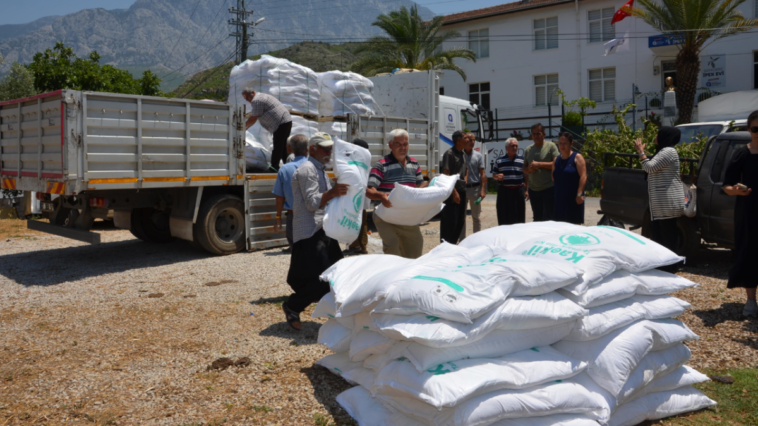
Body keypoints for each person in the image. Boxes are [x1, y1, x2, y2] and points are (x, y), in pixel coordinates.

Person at [282, 133, 349, 330]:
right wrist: (333, 192)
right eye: (325, 149)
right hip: (310, 232)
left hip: (322, 230)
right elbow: (312, 203)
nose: (329, 153)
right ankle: (293, 305)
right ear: (312, 149)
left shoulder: (320, 170)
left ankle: (337, 313)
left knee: (338, 273)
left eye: (331, 149)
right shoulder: (307, 171)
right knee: (323, 278)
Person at [367, 129, 429, 259]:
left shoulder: (414, 163)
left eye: (405, 144)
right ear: (390, 145)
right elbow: (369, 190)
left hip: (408, 216)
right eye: (398, 144)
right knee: (393, 250)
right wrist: (381, 196)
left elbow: (419, 186)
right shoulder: (381, 166)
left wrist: (430, 184)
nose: (403, 147)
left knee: (415, 250)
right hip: (386, 216)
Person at [723, 110, 758, 317]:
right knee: (750, 252)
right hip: (749, 211)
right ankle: (751, 300)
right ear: (749, 130)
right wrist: (736, 190)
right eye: (755, 129)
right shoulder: (742, 154)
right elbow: (726, 185)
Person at [633, 127, 685, 267]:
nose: (655, 136)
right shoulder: (663, 151)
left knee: (668, 235)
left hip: (667, 202)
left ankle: (671, 265)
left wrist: (641, 152)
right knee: (658, 234)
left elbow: (649, 167)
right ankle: (662, 264)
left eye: (659, 134)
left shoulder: (669, 151)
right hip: (660, 202)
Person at [272, 135, 309, 253]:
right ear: (307, 149)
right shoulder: (315, 166)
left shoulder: (284, 169)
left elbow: (280, 197)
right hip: (313, 215)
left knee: (297, 252)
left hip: (293, 216)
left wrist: (278, 218)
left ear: (289, 149)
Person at [241, 87, 293, 172]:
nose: (247, 100)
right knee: (283, 147)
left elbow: (253, 118)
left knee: (278, 146)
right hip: (286, 120)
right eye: (245, 98)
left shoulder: (256, 100)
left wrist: (243, 128)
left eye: (247, 97)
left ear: (253, 92)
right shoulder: (261, 97)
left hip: (281, 122)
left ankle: (274, 168)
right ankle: (289, 166)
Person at [524, 123, 560, 221]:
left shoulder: (551, 146)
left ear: (544, 134)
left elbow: (556, 164)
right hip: (534, 189)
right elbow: (524, 169)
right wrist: (529, 170)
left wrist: (539, 164)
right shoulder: (528, 149)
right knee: (537, 218)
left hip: (548, 188)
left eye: (538, 133)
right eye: (534, 134)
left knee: (550, 217)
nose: (536, 136)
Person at [440, 131, 468, 244]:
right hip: (452, 193)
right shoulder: (449, 154)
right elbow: (446, 174)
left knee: (460, 221)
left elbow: (466, 169)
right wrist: (454, 193)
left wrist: (466, 178)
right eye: (465, 138)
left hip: (462, 191)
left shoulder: (463, 153)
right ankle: (446, 246)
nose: (468, 140)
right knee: (450, 221)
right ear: (459, 140)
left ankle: (453, 245)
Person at [552, 132, 587, 224]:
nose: (562, 146)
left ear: (571, 143)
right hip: (560, 199)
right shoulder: (556, 160)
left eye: (565, 143)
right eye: (560, 143)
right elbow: (553, 177)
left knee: (574, 228)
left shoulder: (577, 157)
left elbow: (583, 176)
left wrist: (579, 194)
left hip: (574, 199)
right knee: (560, 227)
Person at [459, 132, 487, 241]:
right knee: (462, 217)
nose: (472, 142)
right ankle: (462, 240)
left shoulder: (478, 156)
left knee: (476, 216)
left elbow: (482, 174)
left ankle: (477, 239)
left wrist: (483, 190)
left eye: (474, 140)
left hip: (475, 189)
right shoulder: (460, 155)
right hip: (462, 189)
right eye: (470, 140)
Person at [493, 138, 528, 225]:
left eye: (516, 146)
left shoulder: (522, 160)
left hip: (518, 191)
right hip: (504, 191)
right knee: (503, 215)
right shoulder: (499, 160)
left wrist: (527, 190)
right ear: (507, 147)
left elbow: (526, 176)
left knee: (519, 216)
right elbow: (494, 175)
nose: (515, 147)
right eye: (512, 146)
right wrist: (497, 176)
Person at [346, 138, 371, 255]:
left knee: (359, 222)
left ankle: (361, 247)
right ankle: (356, 245)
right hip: (359, 198)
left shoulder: (358, 164)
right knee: (357, 221)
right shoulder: (364, 163)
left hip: (357, 198)